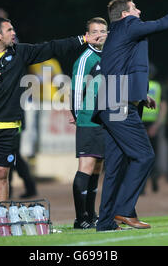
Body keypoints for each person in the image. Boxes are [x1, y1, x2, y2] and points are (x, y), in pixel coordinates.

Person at [0, 17, 103, 238]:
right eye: (9, 29)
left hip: (9, 126)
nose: (13, 32)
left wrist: (82, 39)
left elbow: (51, 48)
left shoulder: (20, 52)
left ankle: (0, 225)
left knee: (2, 175)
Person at [92, 0, 168, 231]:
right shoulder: (128, 25)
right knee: (145, 156)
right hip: (118, 102)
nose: (139, 11)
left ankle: (105, 222)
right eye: (134, 8)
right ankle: (123, 211)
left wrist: (141, 93)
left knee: (115, 166)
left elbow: (122, 67)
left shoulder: (118, 34)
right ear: (125, 15)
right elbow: (162, 24)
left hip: (110, 100)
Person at [71, 17, 108, 229]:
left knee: (96, 168)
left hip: (104, 121)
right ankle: (80, 218)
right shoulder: (86, 58)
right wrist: (78, 116)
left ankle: (91, 214)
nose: (99, 34)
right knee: (86, 166)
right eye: (94, 31)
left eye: (103, 31)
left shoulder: (108, 55)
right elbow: (76, 90)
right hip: (89, 120)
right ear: (87, 35)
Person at [141, 64, 167, 193]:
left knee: (141, 156)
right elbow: (163, 107)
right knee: (153, 155)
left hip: (141, 124)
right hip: (153, 126)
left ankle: (142, 187)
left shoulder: (139, 84)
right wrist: (157, 125)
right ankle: (155, 181)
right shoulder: (158, 87)